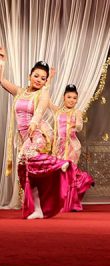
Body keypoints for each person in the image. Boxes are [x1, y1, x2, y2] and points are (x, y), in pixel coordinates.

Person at [0, 47, 74, 219]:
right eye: (36, 76)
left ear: (46, 81)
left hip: (38, 134)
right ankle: (38, 209)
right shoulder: (20, 92)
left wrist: (33, 123)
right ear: (29, 76)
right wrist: (2, 61)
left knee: (30, 156)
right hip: (24, 137)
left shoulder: (43, 94)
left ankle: (60, 163)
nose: (39, 80)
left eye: (43, 78)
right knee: (27, 171)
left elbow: (40, 111)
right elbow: (1, 80)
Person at [49, 84, 94, 212]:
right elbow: (46, 101)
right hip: (58, 146)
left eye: (74, 98)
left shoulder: (77, 112)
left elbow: (80, 125)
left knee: (69, 173)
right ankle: (59, 202)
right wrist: (49, 81)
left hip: (72, 146)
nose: (71, 100)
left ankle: (71, 202)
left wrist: (75, 126)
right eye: (69, 97)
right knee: (58, 173)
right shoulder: (57, 111)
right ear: (64, 97)